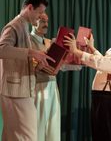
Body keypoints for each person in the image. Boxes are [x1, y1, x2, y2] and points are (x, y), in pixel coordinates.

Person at [63, 21, 111, 141]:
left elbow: (103, 63)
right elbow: (103, 60)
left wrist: (76, 51)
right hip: (100, 98)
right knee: (99, 136)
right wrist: (92, 48)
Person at [0, 0, 54, 141]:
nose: (41, 16)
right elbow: (2, 50)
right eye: (39, 12)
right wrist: (32, 53)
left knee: (12, 135)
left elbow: (20, 60)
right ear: (30, 8)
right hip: (15, 91)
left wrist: (36, 66)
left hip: (19, 89)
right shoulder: (14, 26)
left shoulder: (23, 25)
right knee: (28, 136)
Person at [30, 13, 82, 141]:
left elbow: (63, 66)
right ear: (32, 22)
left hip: (52, 88)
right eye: (41, 20)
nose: (46, 24)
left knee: (53, 127)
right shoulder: (26, 41)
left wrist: (80, 58)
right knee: (38, 126)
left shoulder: (50, 42)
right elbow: (23, 67)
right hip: (37, 88)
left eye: (47, 21)